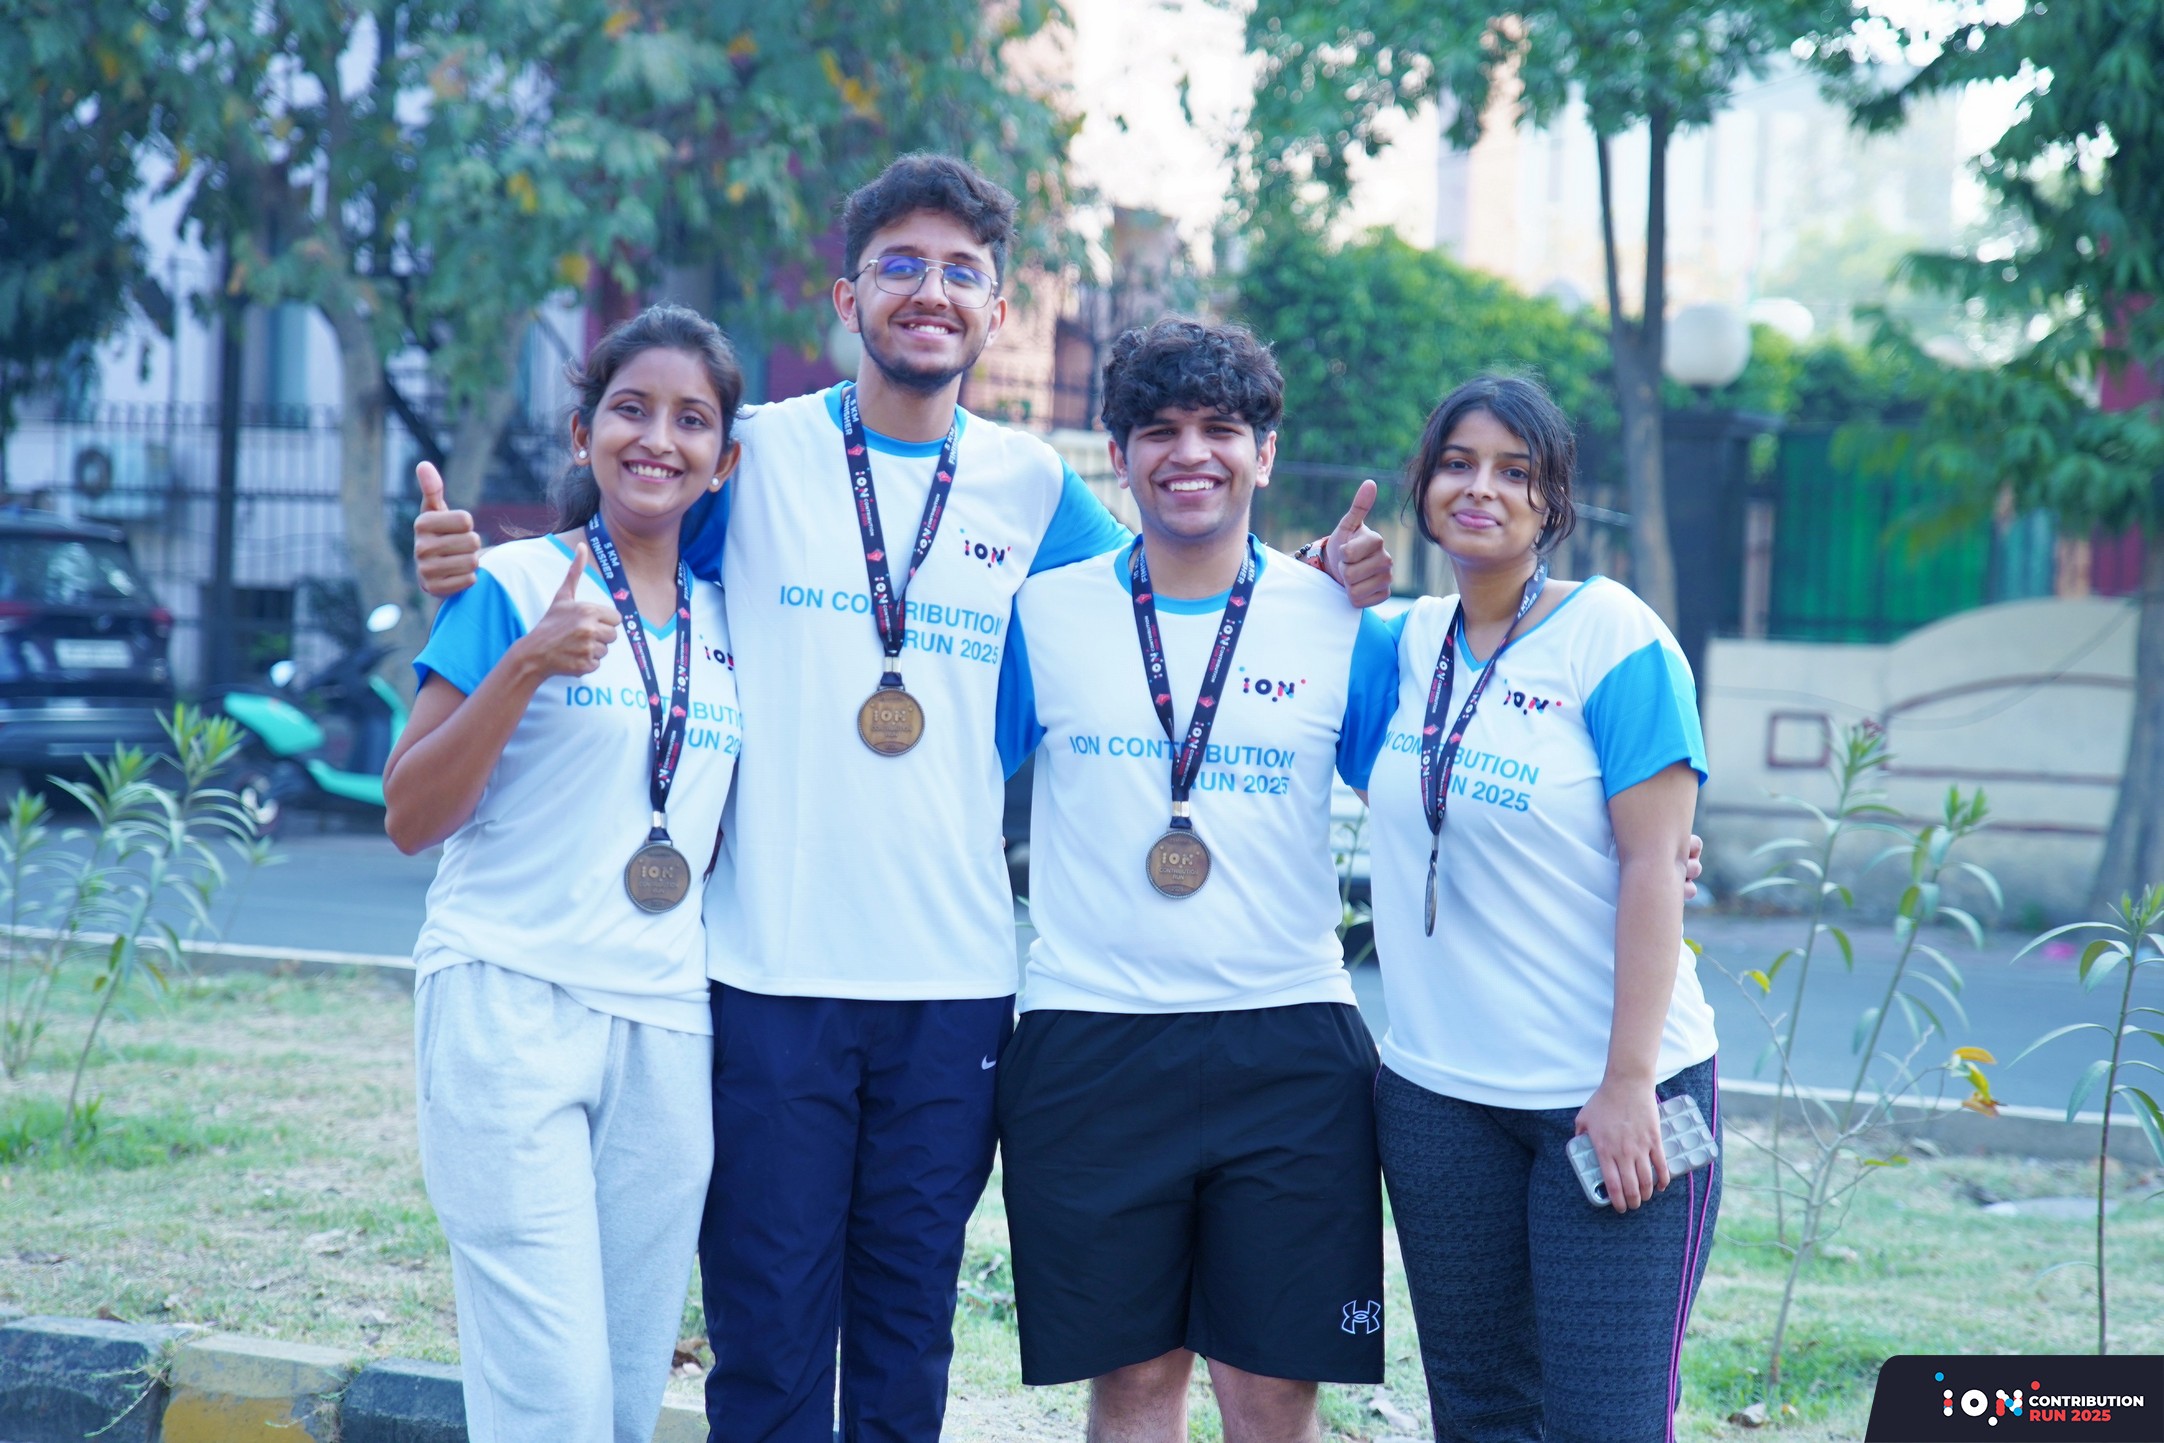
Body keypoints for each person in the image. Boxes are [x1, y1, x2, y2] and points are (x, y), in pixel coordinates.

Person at [409, 153, 1395, 1443]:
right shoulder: (751, 453)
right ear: (848, 297)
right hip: (764, 973)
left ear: (997, 310)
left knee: (904, 1335)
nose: (930, 292)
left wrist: (1313, 574)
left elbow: (1182, 588)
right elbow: (619, 535)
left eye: (960, 272)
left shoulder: (1034, 488)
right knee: (767, 1336)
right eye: (900, 266)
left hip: (954, 985)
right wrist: (467, 569)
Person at [994, 318, 1399, 1443]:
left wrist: (1647, 842)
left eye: (1221, 428)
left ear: (1264, 452)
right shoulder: (1043, 616)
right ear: (1117, 454)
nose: (1190, 453)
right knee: (1132, 1385)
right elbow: (940, 788)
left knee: (1270, 1392)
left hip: (1288, 1039)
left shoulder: (1343, 623)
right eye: (1159, 429)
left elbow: (1434, 799)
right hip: (1091, 1034)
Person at [383, 304, 746, 1443]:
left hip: (665, 1028)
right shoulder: (510, 583)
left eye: (692, 420)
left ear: (724, 461)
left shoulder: (732, 621)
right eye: (632, 410)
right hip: (508, 1003)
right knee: (551, 1402)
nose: (660, 439)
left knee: (624, 1401)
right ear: (585, 434)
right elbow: (410, 814)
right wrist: (527, 665)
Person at [1362, 375, 1721, 1443]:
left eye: (1514, 471)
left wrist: (1628, 1082)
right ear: (1424, 485)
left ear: (1552, 502)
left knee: (1608, 1421)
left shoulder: (1613, 635)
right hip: (1437, 1097)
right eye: (1458, 463)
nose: (1481, 488)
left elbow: (1656, 864)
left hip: (1610, 1093)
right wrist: (1321, 569)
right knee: (1478, 1415)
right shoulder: (1401, 642)